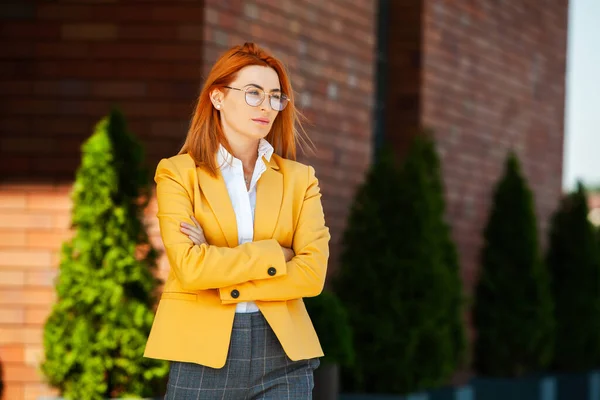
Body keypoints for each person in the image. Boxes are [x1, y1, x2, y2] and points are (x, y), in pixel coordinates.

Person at [143, 42, 330, 399]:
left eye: (276, 96)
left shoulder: (300, 179)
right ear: (217, 97)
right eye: (253, 93)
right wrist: (278, 254)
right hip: (201, 352)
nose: (266, 105)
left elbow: (312, 274)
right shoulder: (178, 173)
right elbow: (190, 269)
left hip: (284, 355)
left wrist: (218, 263)